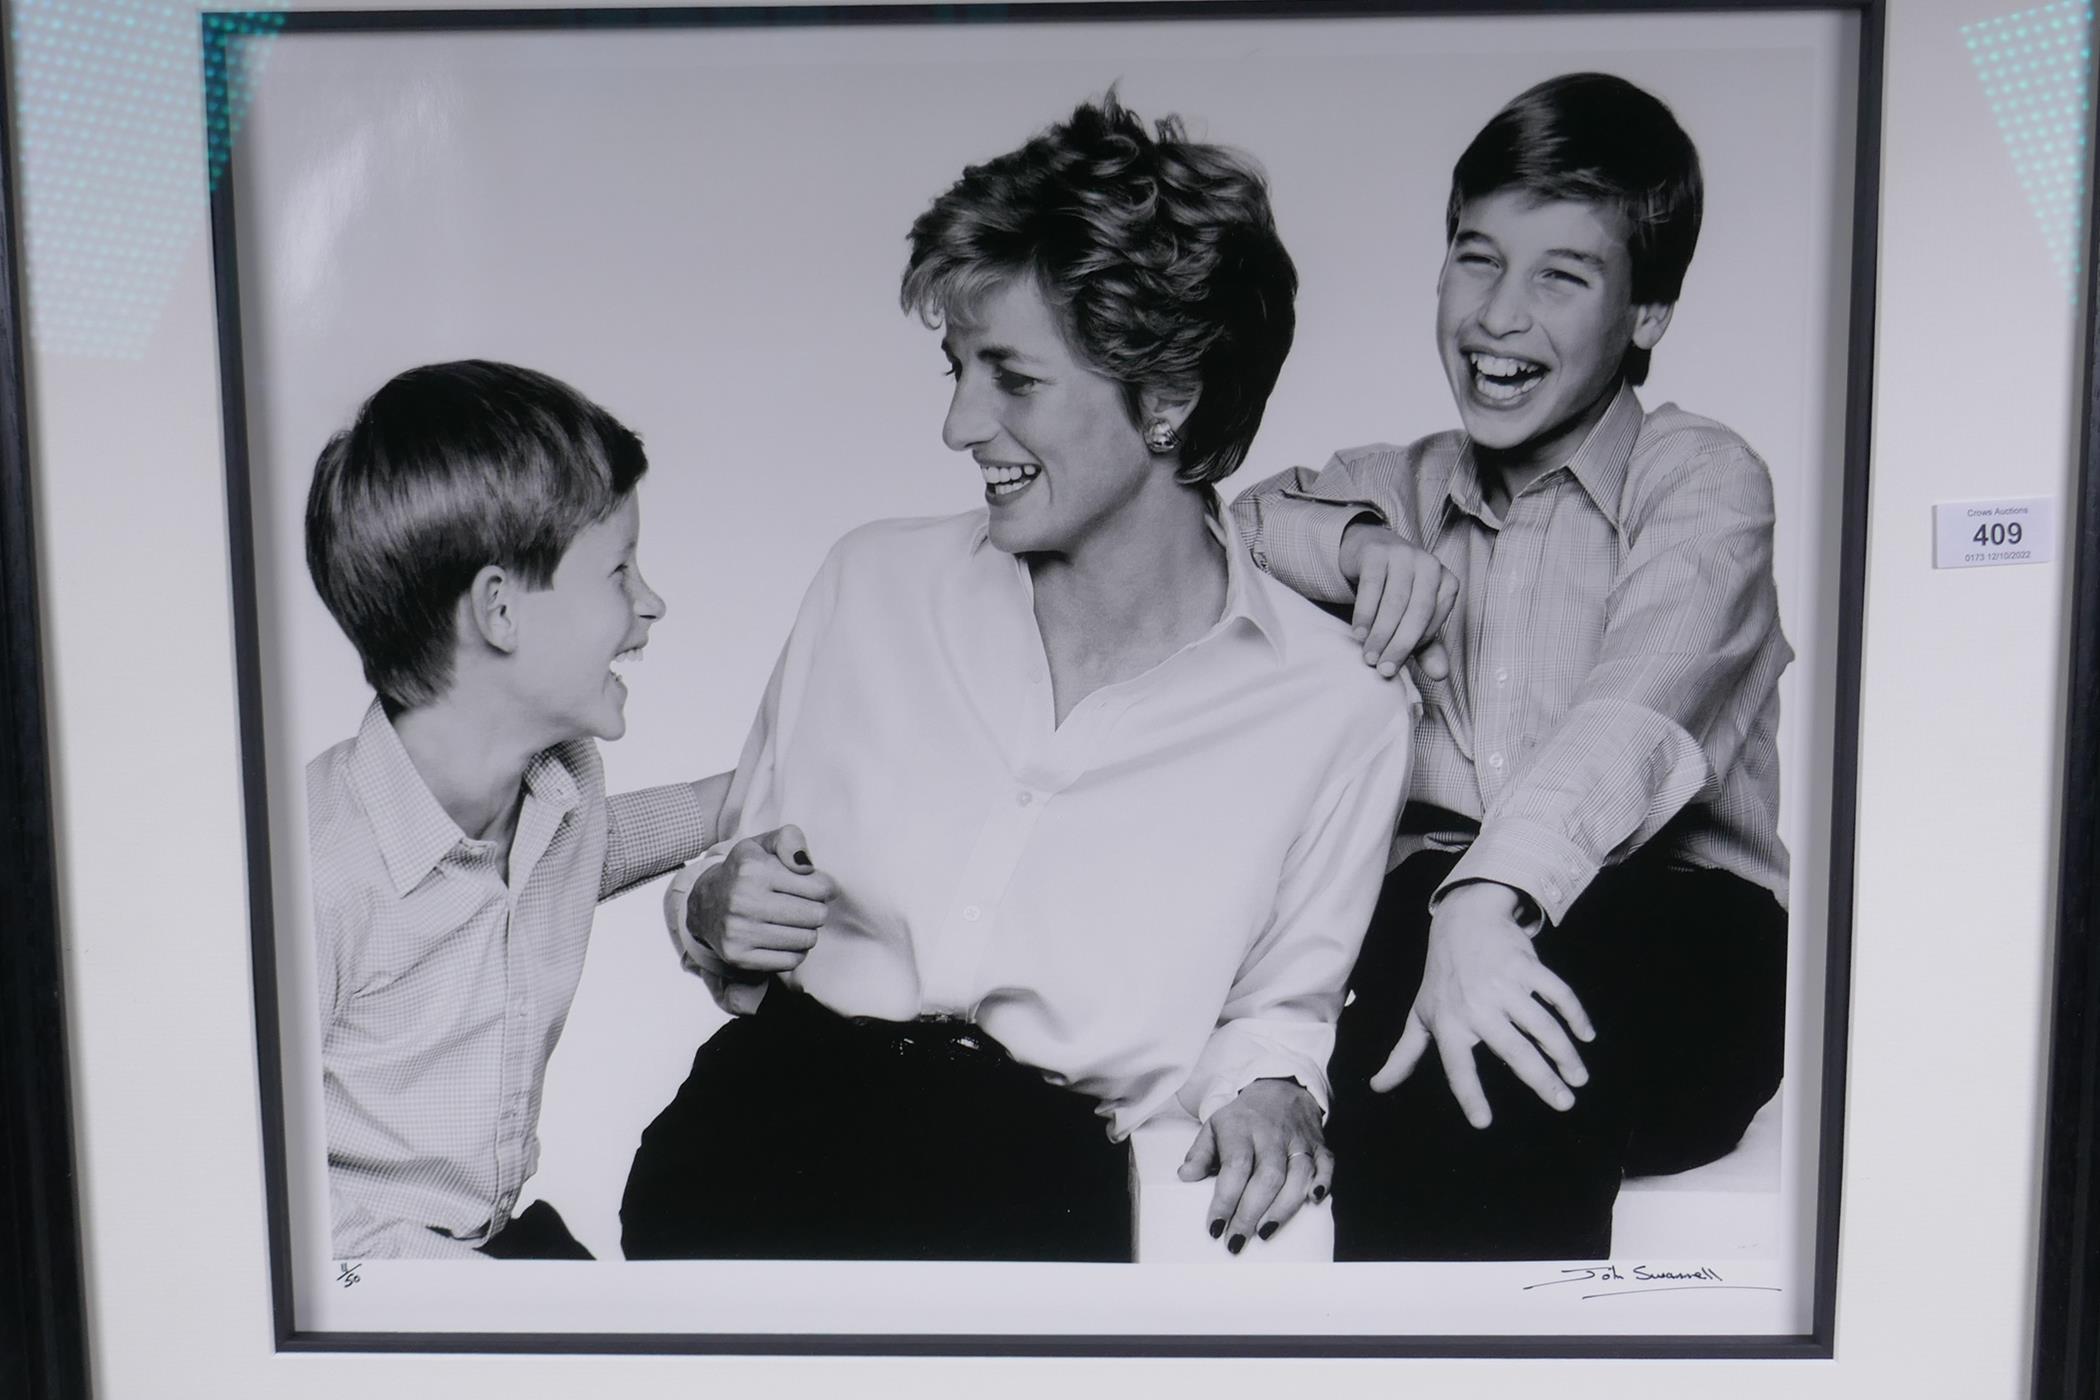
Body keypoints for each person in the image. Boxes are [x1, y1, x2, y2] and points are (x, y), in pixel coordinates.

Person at [620, 94, 1415, 1263]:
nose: (957, 423)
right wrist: (716, 908)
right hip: (754, 1136)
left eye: (1013, 379)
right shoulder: (869, 583)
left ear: (1170, 398)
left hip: (1028, 1191)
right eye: (956, 368)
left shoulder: (1338, 708)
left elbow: (1280, 1008)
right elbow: (737, 876)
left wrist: (1276, 1089)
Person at [1232, 73, 1791, 1260]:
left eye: (1562, 277)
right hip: (1428, 916)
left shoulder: (1700, 477)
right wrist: (1355, 541)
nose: (1500, 315)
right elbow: (1235, 526)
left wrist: (1494, 900)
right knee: (1430, 1043)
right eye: (1477, 259)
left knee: (1483, 1043)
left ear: (1646, 314)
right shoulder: (1399, 481)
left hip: (1675, 926)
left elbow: (1635, 704)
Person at [305, 360, 737, 1259]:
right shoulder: (313, 875)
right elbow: (238, 1195)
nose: (650, 605)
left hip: (492, 1248)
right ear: (500, 610)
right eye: (619, 572)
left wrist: (762, 786)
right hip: (360, 1285)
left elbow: (596, 848)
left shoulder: (557, 790)